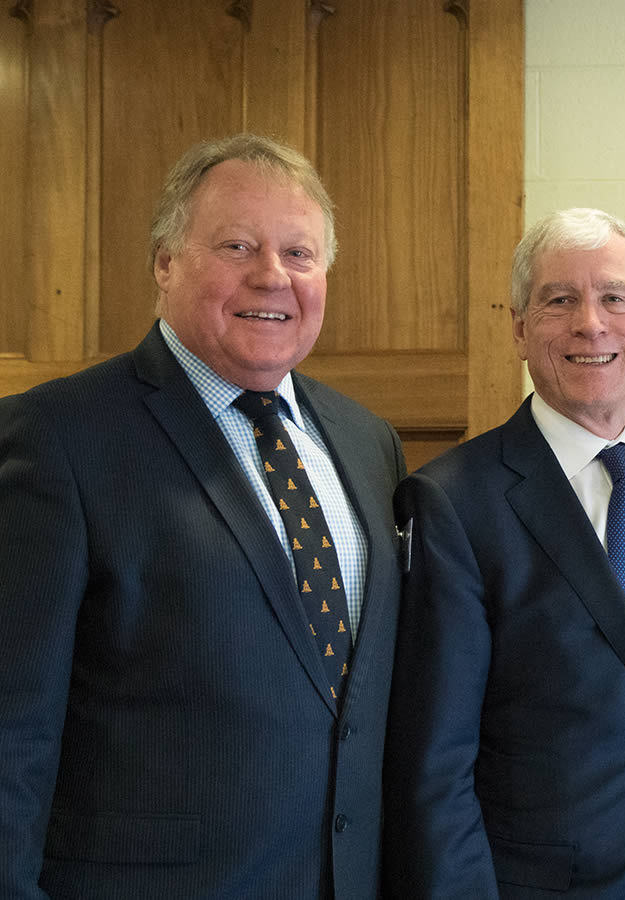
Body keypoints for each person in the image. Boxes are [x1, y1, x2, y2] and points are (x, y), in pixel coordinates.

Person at [0, 134, 406, 898]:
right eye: (237, 245)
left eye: (300, 253)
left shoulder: (367, 442)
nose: (272, 275)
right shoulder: (58, 437)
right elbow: (10, 727)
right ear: (164, 262)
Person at [384, 208, 625, 899]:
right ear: (519, 328)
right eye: (559, 299)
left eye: (615, 297)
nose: (590, 323)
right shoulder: (454, 503)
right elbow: (434, 768)